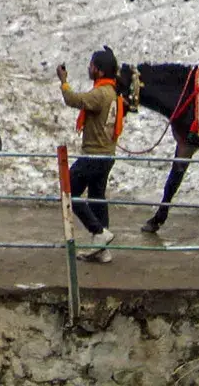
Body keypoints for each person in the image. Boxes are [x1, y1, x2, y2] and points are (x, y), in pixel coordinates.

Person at [57, 48, 120, 261]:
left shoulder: (100, 93)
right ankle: (102, 249)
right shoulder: (112, 92)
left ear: (99, 71)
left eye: (92, 65)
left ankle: (98, 232)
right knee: (97, 198)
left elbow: (74, 99)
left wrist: (64, 82)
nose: (89, 68)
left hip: (93, 155)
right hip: (107, 155)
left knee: (69, 191)